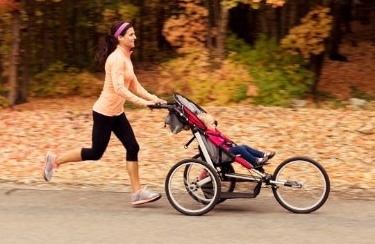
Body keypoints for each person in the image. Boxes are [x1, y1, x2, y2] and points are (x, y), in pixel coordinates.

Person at [42, 21, 167, 206]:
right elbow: (118, 89)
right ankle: (55, 160)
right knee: (95, 152)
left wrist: (154, 98)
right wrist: (144, 103)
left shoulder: (126, 57)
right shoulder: (115, 59)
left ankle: (137, 193)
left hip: (117, 113)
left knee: (133, 147)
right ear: (120, 38)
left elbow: (134, 85)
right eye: (131, 34)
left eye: (134, 34)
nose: (135, 37)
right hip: (104, 113)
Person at [198, 113, 275, 167]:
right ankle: (255, 161)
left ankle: (263, 155)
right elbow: (218, 144)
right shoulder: (209, 135)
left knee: (244, 146)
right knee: (240, 149)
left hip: (225, 150)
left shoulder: (213, 133)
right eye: (212, 124)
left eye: (214, 123)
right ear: (205, 126)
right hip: (223, 153)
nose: (215, 125)